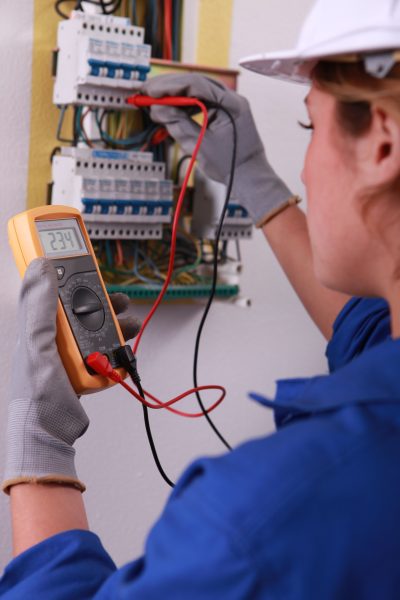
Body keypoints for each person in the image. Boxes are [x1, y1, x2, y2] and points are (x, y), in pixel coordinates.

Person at [1, 0, 400, 596]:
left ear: (382, 146)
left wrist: (41, 454)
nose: (308, 171)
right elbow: (370, 334)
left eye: (308, 127)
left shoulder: (265, 519)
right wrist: (256, 184)